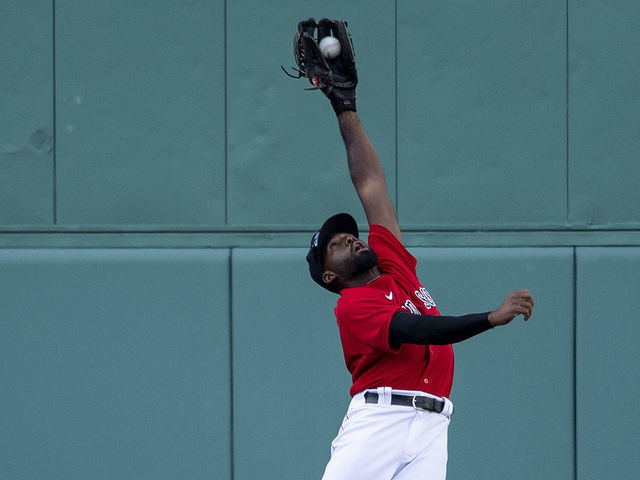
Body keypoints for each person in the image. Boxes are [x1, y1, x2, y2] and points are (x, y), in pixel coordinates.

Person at [294, 19, 535, 480]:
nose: (347, 238)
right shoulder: (353, 306)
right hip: (378, 423)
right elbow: (421, 331)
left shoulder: (393, 264)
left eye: (346, 233)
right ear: (329, 276)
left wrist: (345, 107)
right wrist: (489, 317)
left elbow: (370, 183)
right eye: (333, 247)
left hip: (431, 426)